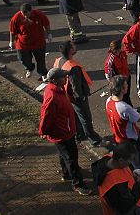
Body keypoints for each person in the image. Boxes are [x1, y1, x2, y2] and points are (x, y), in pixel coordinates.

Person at [38, 67, 92, 195]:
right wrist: (43, 131)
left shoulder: (57, 90)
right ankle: (78, 183)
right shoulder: (53, 96)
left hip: (64, 130)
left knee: (64, 154)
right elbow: (46, 116)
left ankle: (66, 173)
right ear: (55, 80)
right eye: (63, 76)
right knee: (71, 158)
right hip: (62, 133)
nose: (66, 78)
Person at [53, 41, 103, 146]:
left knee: (75, 116)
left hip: (66, 95)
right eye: (73, 46)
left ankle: (79, 134)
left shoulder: (59, 61)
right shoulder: (73, 67)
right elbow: (76, 86)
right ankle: (93, 139)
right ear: (70, 50)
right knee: (85, 118)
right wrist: (82, 97)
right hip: (76, 97)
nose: (75, 47)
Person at [104, 76, 140, 179]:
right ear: (122, 89)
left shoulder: (108, 101)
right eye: (126, 85)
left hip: (118, 138)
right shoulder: (124, 107)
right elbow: (138, 118)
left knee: (129, 163)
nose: (128, 86)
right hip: (130, 140)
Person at [92, 141, 140, 215]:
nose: (131, 162)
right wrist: (139, 184)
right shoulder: (115, 185)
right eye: (130, 160)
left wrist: (132, 174)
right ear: (121, 160)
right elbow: (126, 206)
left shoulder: (108, 159)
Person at [9, 3, 51, 80]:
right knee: (23, 59)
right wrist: (11, 41)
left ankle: (43, 73)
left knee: (40, 59)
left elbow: (46, 24)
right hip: (23, 44)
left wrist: (49, 34)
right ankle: (29, 68)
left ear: (31, 11)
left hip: (38, 43)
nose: (25, 16)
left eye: (26, 14)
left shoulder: (39, 15)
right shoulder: (16, 18)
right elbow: (12, 31)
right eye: (23, 14)